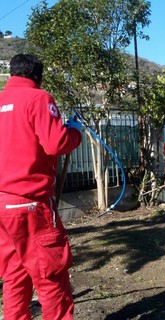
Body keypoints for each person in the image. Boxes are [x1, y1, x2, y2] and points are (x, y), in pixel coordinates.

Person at [0, 54, 82, 319]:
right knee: (51, 275)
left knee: (15, 274)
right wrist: (74, 131)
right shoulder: (39, 99)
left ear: (12, 74)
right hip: (30, 204)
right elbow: (56, 144)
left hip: (2, 205)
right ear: (38, 75)